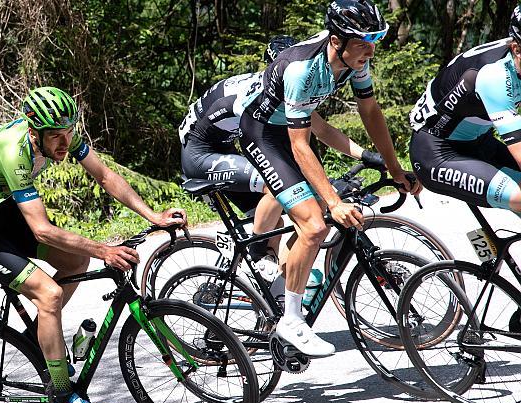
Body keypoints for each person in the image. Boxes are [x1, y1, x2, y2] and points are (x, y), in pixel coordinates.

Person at [0, 87, 187, 403]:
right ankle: (63, 399)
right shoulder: (15, 153)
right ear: (33, 131)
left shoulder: (62, 131)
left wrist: (153, 216)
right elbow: (41, 230)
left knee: (74, 262)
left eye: (69, 133)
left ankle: (41, 339)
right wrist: (105, 250)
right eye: (56, 136)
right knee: (49, 293)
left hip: (1, 208)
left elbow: (104, 176)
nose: (64, 143)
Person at [233, 0, 420, 357]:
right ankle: (290, 320)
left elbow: (370, 110)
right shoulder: (302, 68)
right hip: (262, 134)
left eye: (376, 37)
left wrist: (395, 168)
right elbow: (301, 147)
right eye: (364, 39)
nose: (372, 47)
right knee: (315, 225)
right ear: (337, 40)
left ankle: (283, 281)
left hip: (291, 134)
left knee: (318, 217)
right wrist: (332, 203)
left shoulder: (355, 59)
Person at [179, 33, 383, 281]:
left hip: (225, 148)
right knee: (273, 188)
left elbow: (323, 130)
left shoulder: (284, 91)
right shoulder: (260, 93)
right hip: (201, 153)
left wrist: (366, 155)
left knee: (277, 221)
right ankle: (256, 255)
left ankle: (274, 291)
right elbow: (274, 148)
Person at [408, 6, 521, 213]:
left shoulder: (514, 61)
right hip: (437, 153)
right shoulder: (494, 76)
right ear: (516, 49)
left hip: (479, 143)